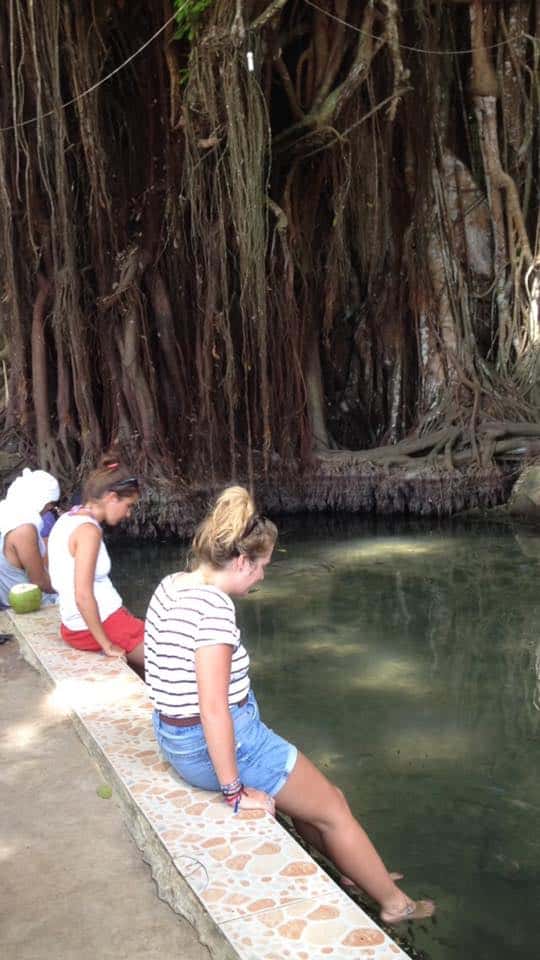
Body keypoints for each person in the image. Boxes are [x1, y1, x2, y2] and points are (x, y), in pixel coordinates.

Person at [145, 486, 435, 925]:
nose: (262, 576)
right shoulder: (214, 610)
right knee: (336, 810)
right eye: (261, 567)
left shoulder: (172, 586)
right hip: (220, 746)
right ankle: (398, 905)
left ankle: (355, 872)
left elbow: (159, 668)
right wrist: (234, 792)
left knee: (321, 798)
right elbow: (213, 709)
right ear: (242, 561)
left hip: (174, 737)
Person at [47, 456, 144, 674]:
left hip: (75, 624)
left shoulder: (67, 519)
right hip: (99, 624)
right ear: (111, 497)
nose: (128, 513)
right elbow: (83, 594)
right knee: (177, 662)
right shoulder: (88, 532)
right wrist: (107, 645)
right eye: (128, 506)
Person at [0, 467, 60, 608]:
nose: (48, 510)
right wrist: (72, 590)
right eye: (50, 505)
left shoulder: (4, 512)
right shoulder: (24, 529)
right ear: (44, 503)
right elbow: (40, 582)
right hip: (29, 603)